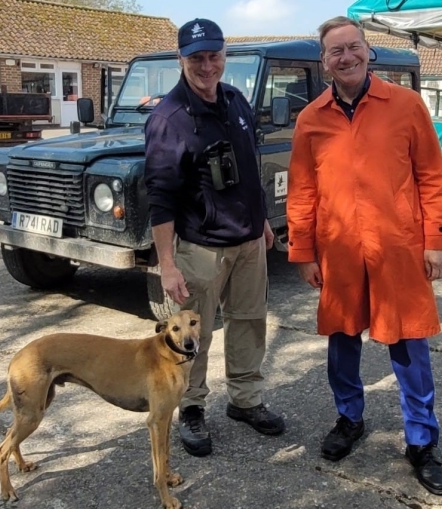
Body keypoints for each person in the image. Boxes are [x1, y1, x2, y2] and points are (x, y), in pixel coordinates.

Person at [286, 16, 442, 496]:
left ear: (368, 50)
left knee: (409, 344)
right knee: (342, 341)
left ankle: (421, 441)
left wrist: (436, 240)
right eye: (335, 51)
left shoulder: (405, 105)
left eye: (353, 46)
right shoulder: (311, 118)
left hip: (397, 248)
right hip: (337, 250)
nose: (346, 56)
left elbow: (432, 176)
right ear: (323, 62)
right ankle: (349, 419)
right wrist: (302, 251)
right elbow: (301, 191)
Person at [143, 18, 285, 458]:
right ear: (180, 59)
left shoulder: (236, 101)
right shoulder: (168, 119)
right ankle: (191, 408)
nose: (207, 66)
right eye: (197, 57)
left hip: (247, 244)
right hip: (201, 249)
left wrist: (261, 221)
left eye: (214, 56)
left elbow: (249, 168)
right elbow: (160, 198)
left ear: (225, 55)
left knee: (248, 321)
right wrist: (167, 264)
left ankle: (245, 400)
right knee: (192, 336)